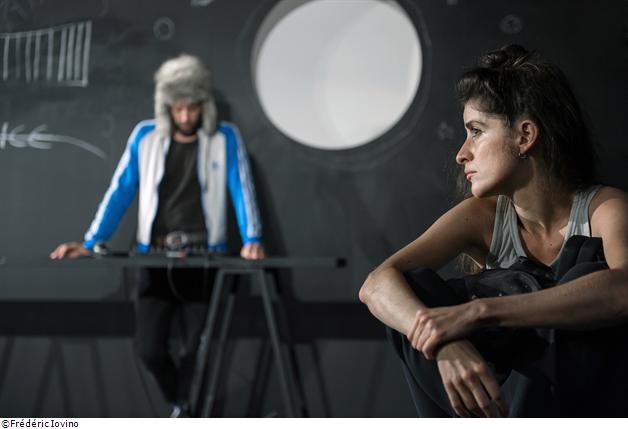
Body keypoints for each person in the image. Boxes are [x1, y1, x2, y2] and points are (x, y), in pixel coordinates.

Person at [359, 45, 628, 417]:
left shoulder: (604, 208)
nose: (462, 153)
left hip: (586, 404)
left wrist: (480, 312)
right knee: (414, 288)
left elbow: (623, 291)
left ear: (525, 135)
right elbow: (376, 285)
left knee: (584, 274)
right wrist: (444, 344)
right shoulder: (482, 216)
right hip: (500, 400)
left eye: (476, 131)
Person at [50, 54, 265, 416]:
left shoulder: (224, 137)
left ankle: (186, 414)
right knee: (149, 349)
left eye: (192, 107)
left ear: (203, 104)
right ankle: (181, 405)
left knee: (198, 351)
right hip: (152, 257)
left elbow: (242, 188)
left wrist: (252, 239)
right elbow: (120, 190)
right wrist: (90, 242)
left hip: (204, 259)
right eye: (178, 108)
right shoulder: (144, 136)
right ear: (167, 106)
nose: (185, 116)